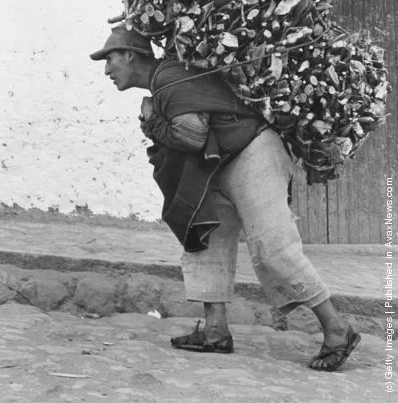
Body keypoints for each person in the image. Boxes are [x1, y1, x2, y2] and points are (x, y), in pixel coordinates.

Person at [90, 25, 361, 371]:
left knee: (272, 247)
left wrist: (153, 122)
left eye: (110, 59)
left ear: (130, 55)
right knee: (206, 238)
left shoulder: (169, 81)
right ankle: (215, 331)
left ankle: (338, 331)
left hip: (253, 152)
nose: (106, 69)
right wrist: (156, 119)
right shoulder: (165, 82)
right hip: (222, 163)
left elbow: (190, 135)